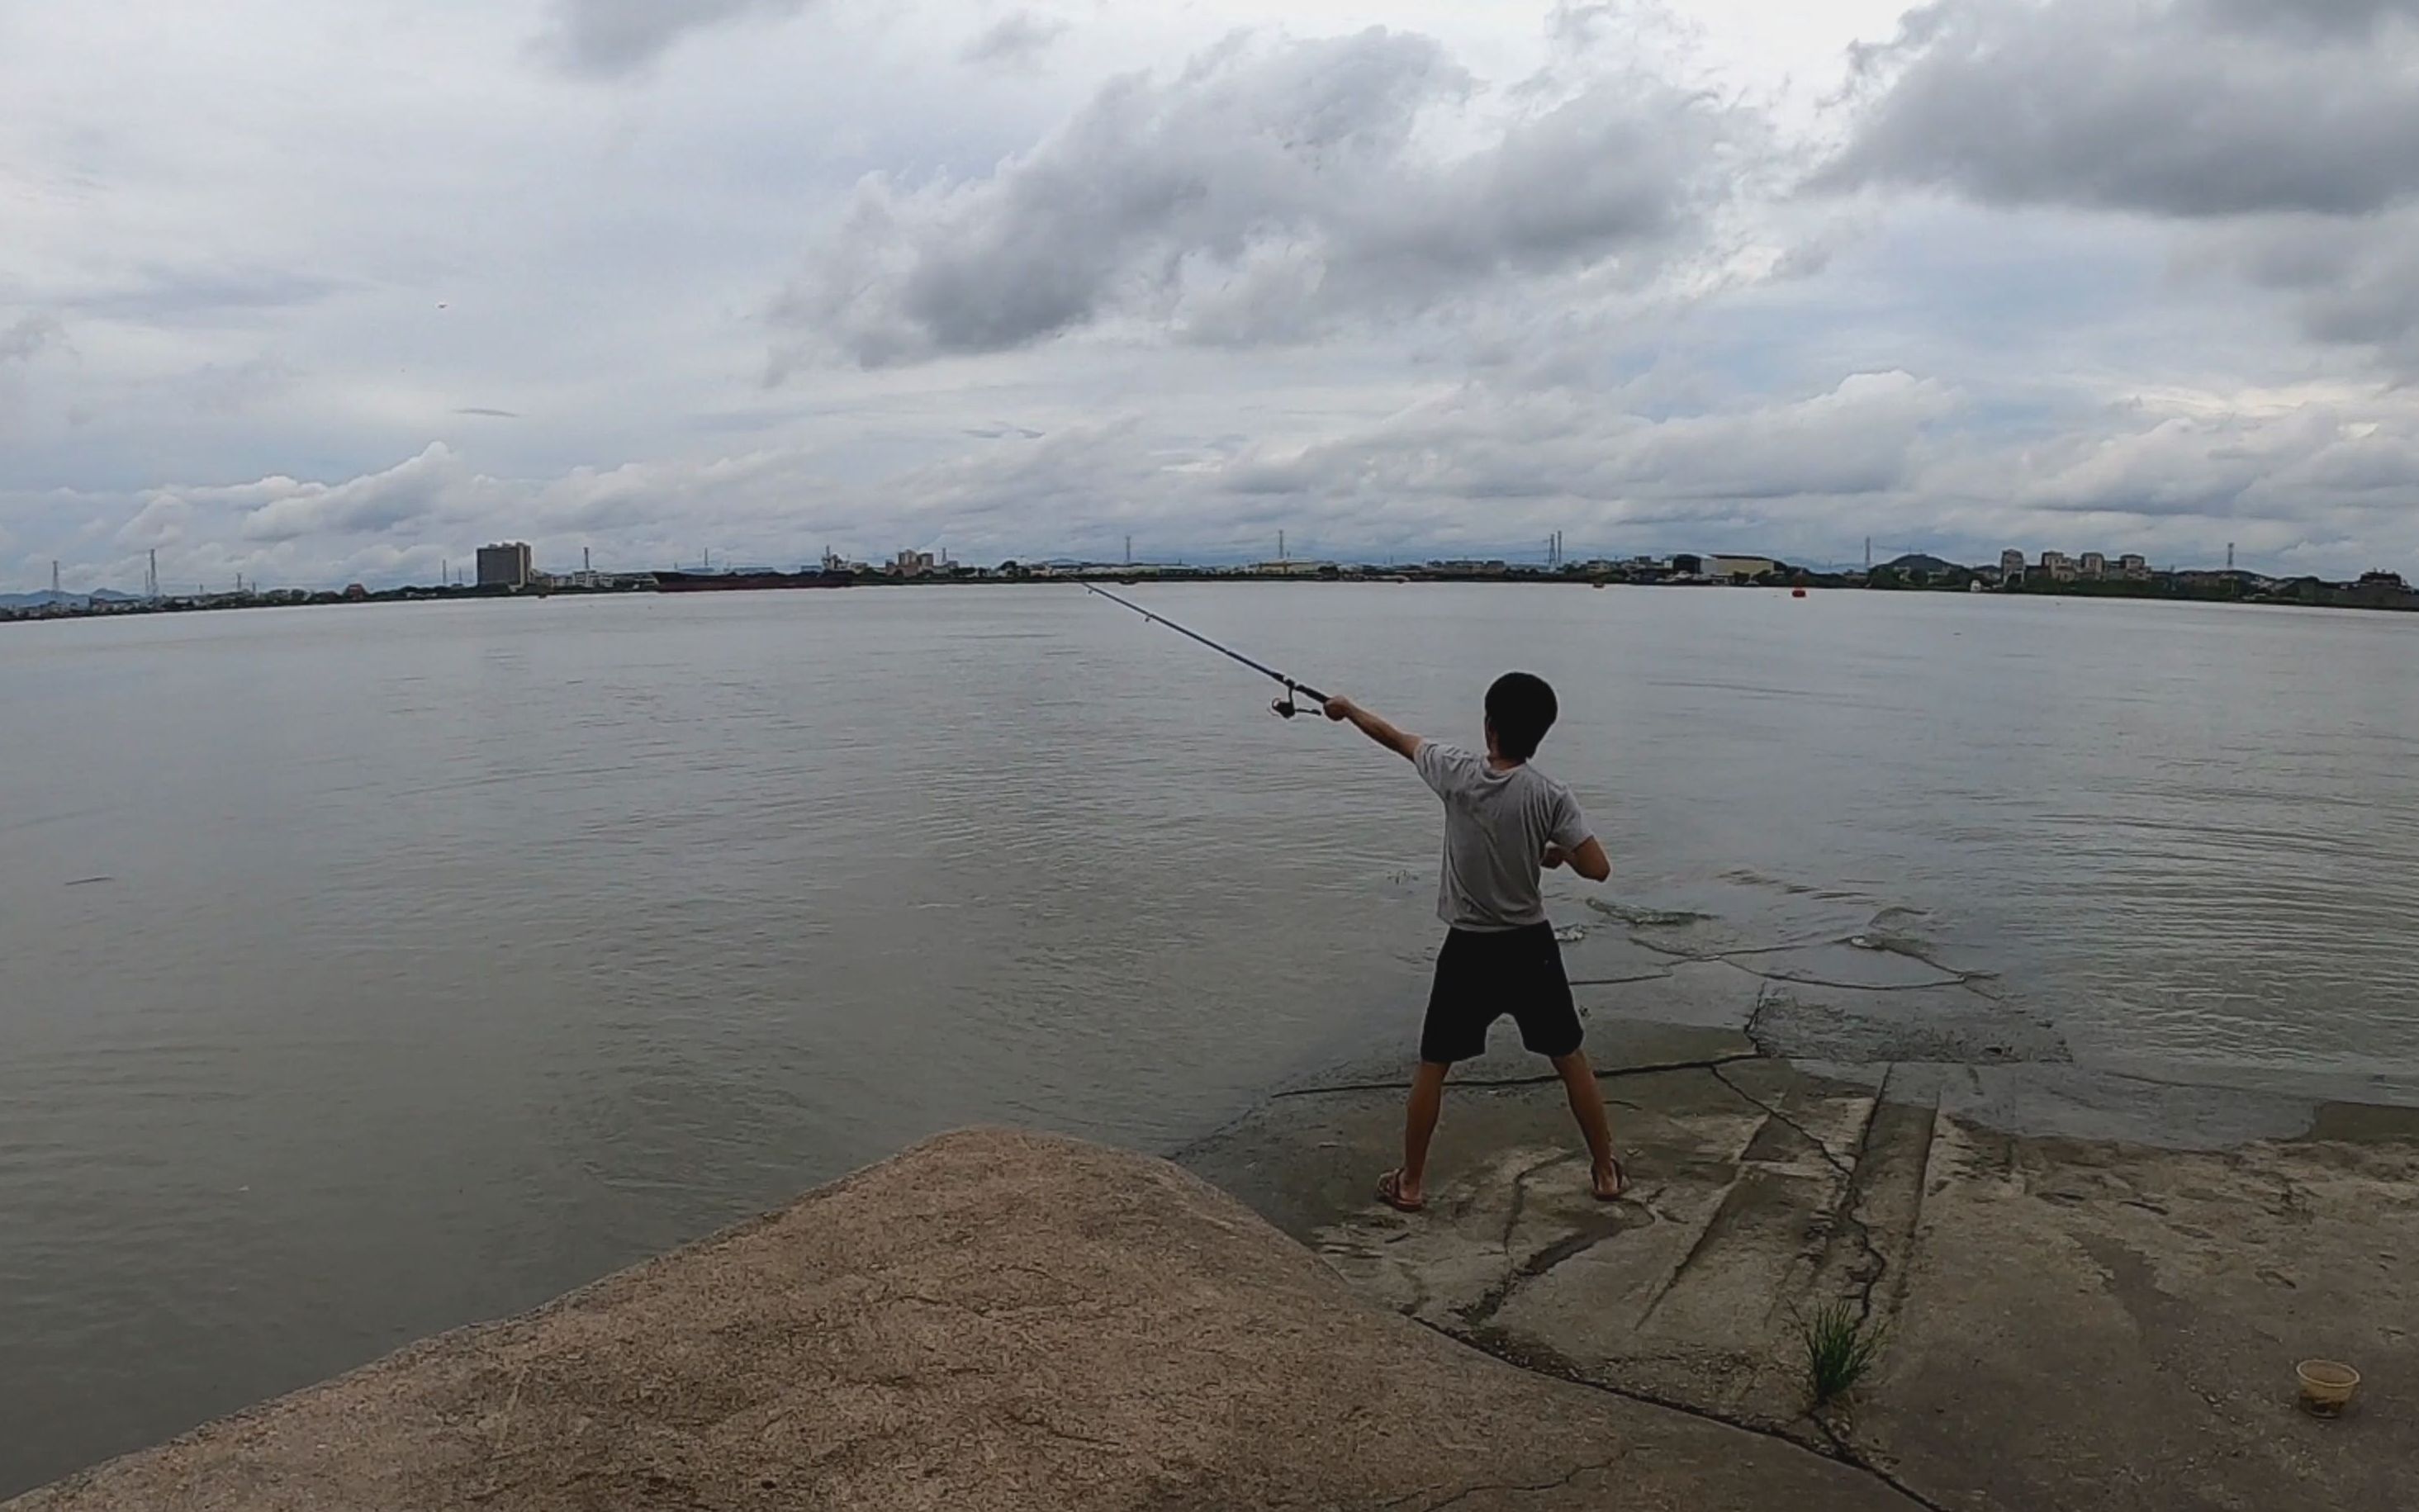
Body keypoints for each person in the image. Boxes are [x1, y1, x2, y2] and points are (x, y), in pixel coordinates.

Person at [1324, 673, 1623, 1213]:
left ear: (1489, 727)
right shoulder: (1551, 795)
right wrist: (1559, 854)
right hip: (1530, 947)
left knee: (1433, 1065)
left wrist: (1347, 709)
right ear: (1541, 734)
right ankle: (1605, 1172)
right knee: (1569, 1058)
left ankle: (1411, 1183)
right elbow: (1598, 868)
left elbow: (1393, 737)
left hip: (1468, 949)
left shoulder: (1455, 772)